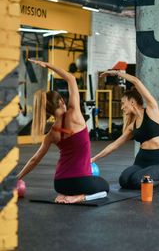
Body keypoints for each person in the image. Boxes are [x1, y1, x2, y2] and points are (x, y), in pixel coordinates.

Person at [17, 59, 109, 204]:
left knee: (83, 182)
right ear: (61, 101)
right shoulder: (75, 114)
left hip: (60, 184)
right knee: (105, 187)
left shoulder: (51, 134)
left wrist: (17, 178)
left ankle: (67, 195)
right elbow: (71, 78)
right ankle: (80, 197)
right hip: (81, 182)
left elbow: (35, 160)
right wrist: (47, 65)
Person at [91, 70, 159, 189]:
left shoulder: (151, 110)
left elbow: (136, 81)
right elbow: (114, 145)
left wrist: (115, 73)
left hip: (157, 163)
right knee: (123, 180)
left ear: (132, 102)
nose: (122, 107)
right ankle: (149, 178)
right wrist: (93, 159)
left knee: (136, 180)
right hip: (140, 162)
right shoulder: (131, 126)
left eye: (123, 103)